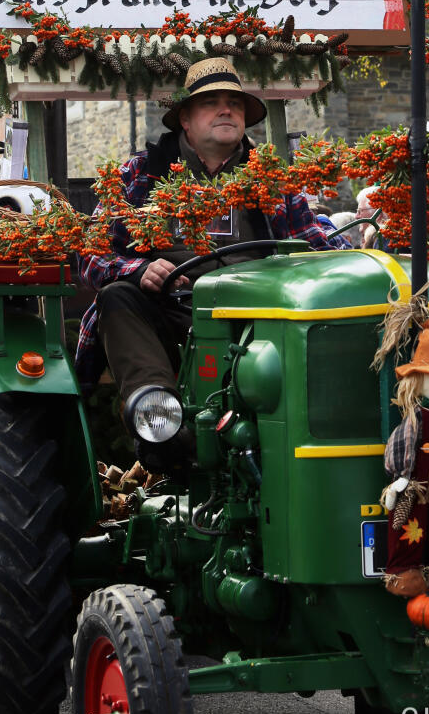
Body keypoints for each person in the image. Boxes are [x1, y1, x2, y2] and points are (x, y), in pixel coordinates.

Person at [75, 58, 344, 460]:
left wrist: (363, 259)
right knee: (116, 296)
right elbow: (90, 255)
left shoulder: (271, 178)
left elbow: (313, 247)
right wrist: (140, 270)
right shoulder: (141, 173)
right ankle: (162, 423)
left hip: (257, 322)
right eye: (211, 102)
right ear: (185, 119)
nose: (226, 110)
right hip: (168, 316)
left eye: (234, 103)